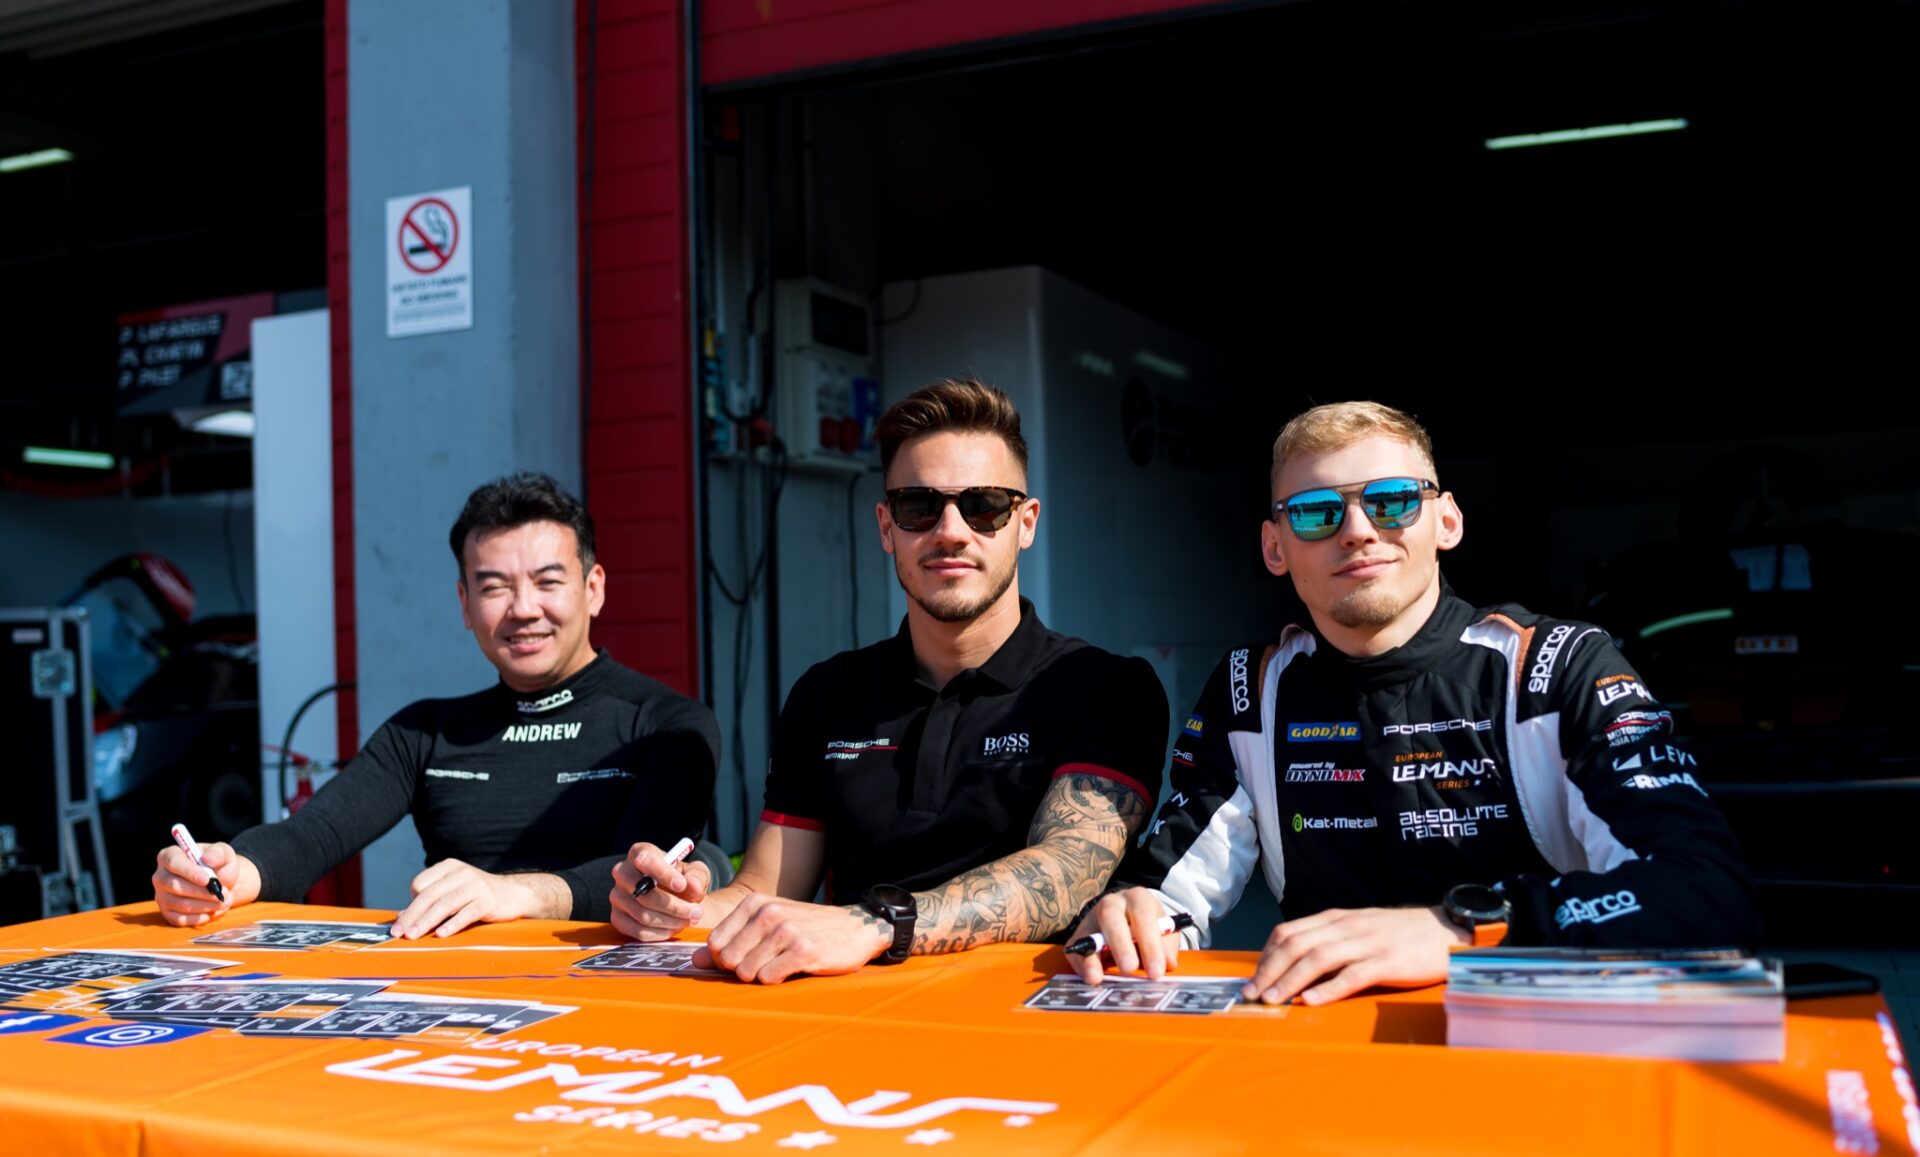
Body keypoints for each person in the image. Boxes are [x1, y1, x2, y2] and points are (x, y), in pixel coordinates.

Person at [1071, 400, 1759, 1003]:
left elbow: (1705, 891)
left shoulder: (1554, 668)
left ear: (1447, 520)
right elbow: (1170, 892)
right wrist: (1134, 913)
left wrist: (1460, 927)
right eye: (1315, 512)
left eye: (1392, 500)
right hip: (1327, 1055)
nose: (1357, 530)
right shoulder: (1253, 689)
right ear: (1274, 548)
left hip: (1534, 1044)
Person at [613, 378, 1169, 982]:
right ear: (886, 527)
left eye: (984, 505)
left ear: (1026, 522)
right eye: (918, 506)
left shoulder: (1105, 687)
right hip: (844, 1018)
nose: (950, 530)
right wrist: (674, 907)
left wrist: (875, 924)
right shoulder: (826, 693)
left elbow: (1063, 872)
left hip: (1026, 1011)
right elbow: (763, 892)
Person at [151, 472, 720, 937]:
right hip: (458, 998)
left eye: (548, 582)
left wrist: (515, 894)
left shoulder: (668, 726)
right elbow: (314, 835)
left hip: (613, 996)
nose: (523, 608)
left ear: (593, 589)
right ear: (465, 604)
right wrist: (230, 872)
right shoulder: (424, 732)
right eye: (494, 587)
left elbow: (647, 877)